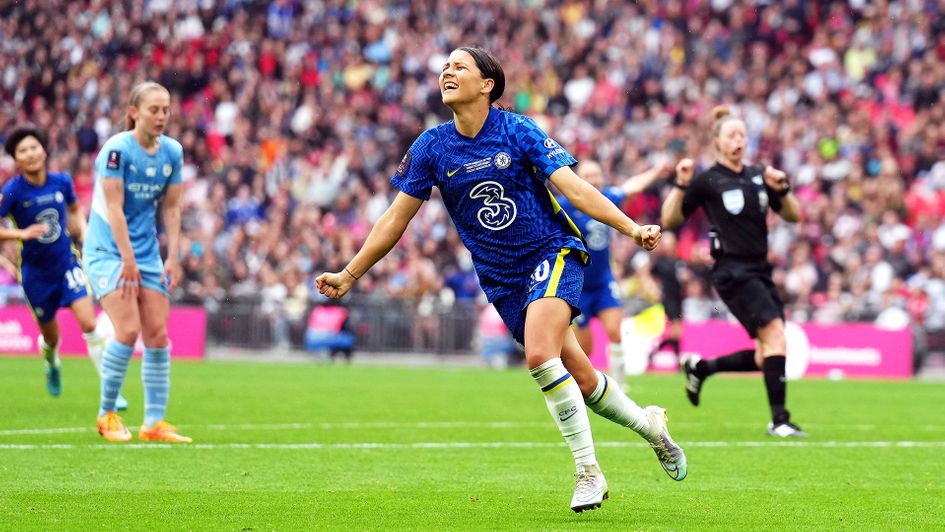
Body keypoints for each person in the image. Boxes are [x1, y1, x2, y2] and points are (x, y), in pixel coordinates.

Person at [316, 47, 686, 512]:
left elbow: (574, 188)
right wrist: (351, 273)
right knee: (584, 378)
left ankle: (588, 473)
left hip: (552, 252)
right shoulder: (431, 146)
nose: (447, 72)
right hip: (501, 279)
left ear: (487, 84)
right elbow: (395, 218)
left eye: (459, 66)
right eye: (444, 67)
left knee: (538, 356)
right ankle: (651, 425)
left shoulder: (516, 129)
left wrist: (631, 228)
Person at [660, 106, 806, 438]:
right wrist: (681, 185)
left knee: (767, 352)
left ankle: (702, 368)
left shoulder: (759, 174)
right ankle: (779, 420)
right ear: (717, 141)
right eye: (732, 135)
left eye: (742, 134)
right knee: (774, 334)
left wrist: (781, 188)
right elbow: (670, 220)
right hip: (732, 270)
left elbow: (795, 216)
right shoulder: (708, 179)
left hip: (760, 269)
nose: (739, 140)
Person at [83, 81, 190, 443]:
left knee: (158, 335)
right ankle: (106, 415)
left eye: (166, 109)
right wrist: (126, 258)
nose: (161, 116)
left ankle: (153, 423)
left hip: (146, 253)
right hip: (107, 252)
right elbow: (114, 208)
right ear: (134, 112)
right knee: (127, 330)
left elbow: (172, 207)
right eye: (154, 109)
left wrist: (172, 256)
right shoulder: (116, 150)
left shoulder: (172, 152)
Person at [0, 126, 127, 409]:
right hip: (35, 274)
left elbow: (73, 212)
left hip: (66, 264)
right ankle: (52, 363)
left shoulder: (61, 182)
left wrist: (84, 234)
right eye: (23, 151)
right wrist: (20, 234)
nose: (30, 154)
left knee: (90, 324)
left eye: (34, 147)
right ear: (17, 159)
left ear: (44, 150)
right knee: (51, 336)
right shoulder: (12, 191)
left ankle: (112, 390)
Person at [557, 160, 671, 387]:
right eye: (588, 175)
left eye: (597, 175)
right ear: (578, 179)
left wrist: (656, 170)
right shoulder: (565, 205)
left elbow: (632, 185)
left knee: (615, 333)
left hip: (603, 282)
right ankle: (578, 384)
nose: (593, 179)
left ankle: (620, 384)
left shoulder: (606, 198)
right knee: (585, 348)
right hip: (577, 286)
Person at [649, 230, 684, 364]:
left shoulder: (678, 261)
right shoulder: (660, 262)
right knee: (676, 332)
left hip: (679, 298)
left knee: (676, 332)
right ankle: (677, 360)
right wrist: (654, 289)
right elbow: (649, 275)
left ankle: (655, 353)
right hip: (668, 298)